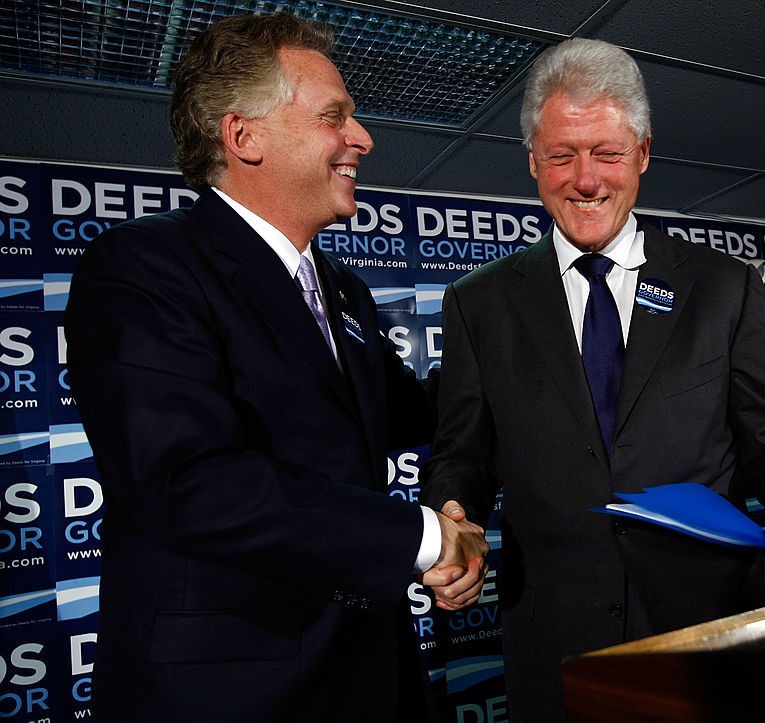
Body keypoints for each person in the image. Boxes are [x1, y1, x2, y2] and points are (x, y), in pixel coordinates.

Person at [63, 14, 487, 723]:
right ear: (244, 136)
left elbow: (415, 410)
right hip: (236, 697)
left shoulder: (343, 288)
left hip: (371, 674)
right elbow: (189, 483)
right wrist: (418, 538)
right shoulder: (142, 268)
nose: (363, 138)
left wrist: (515, 331)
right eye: (335, 117)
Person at [419, 38, 765, 721]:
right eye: (562, 155)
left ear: (643, 154)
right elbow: (462, 452)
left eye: (607, 154)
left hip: (709, 634)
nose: (586, 180)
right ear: (533, 159)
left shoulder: (725, 289)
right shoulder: (479, 303)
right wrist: (451, 515)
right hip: (558, 649)